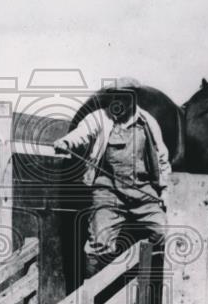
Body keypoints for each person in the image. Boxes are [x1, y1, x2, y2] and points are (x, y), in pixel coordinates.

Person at [54, 88, 171, 277]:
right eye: (116, 97)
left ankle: (138, 275)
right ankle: (93, 298)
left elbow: (162, 157)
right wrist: (66, 142)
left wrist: (164, 190)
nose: (119, 102)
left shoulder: (148, 121)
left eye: (125, 98)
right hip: (108, 192)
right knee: (99, 243)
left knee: (162, 231)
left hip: (143, 192)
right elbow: (81, 133)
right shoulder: (101, 117)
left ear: (134, 99)